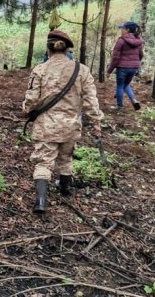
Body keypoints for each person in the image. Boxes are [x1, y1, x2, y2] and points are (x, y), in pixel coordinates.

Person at [23, 30, 103, 214]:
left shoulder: (40, 69)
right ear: (68, 49)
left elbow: (32, 99)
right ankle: (65, 188)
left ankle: (41, 201)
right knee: (66, 157)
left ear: (48, 49)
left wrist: (26, 110)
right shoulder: (81, 70)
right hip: (71, 125)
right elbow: (91, 100)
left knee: (43, 162)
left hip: (46, 125)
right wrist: (96, 122)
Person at [107, 21, 144, 111]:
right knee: (126, 84)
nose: (121, 30)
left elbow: (115, 57)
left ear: (127, 29)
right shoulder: (138, 41)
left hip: (123, 67)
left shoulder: (121, 40)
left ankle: (119, 106)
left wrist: (109, 70)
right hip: (134, 68)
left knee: (120, 86)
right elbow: (141, 54)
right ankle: (133, 100)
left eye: (122, 28)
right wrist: (136, 63)